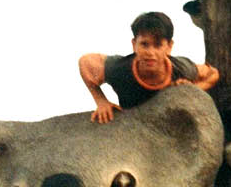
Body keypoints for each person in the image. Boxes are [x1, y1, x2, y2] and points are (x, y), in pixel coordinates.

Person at [79, 11, 220, 123]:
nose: (150, 53)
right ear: (134, 44)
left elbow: (213, 74)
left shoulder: (181, 68)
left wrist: (192, 89)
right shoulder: (120, 70)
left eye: (158, 45)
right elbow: (86, 61)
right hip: (132, 128)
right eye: (144, 44)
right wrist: (101, 101)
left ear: (169, 47)